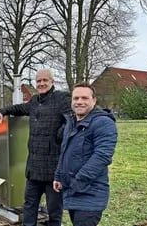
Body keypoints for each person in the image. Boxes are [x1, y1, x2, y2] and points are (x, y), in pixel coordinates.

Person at [0, 69, 72, 226]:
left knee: (54, 210)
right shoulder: (35, 101)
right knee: (29, 205)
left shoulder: (62, 98)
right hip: (34, 167)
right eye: (38, 81)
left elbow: (71, 120)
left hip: (53, 168)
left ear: (52, 82)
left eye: (45, 80)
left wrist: (59, 135)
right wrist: (2, 111)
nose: (41, 84)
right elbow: (20, 108)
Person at [53, 82, 118, 226]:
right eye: (76, 98)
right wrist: (58, 176)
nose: (79, 102)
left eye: (84, 98)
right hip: (73, 191)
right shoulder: (71, 122)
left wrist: (78, 181)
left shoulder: (103, 123)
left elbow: (102, 156)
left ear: (94, 100)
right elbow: (64, 151)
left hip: (90, 194)